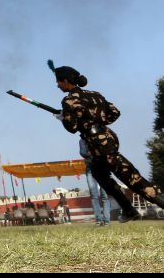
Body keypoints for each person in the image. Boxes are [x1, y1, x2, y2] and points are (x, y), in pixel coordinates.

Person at [52, 64, 164, 222]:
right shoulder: (95, 95)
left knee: (131, 178)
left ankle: (135, 209)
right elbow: (115, 112)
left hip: (98, 146)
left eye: (58, 82)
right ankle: (129, 210)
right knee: (99, 173)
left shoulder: (69, 100)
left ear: (65, 81)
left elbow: (72, 127)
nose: (57, 85)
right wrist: (99, 122)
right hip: (107, 139)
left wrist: (64, 118)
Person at [80, 138, 111, 226]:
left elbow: (108, 150)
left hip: (104, 168)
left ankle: (106, 221)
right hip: (91, 168)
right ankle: (98, 220)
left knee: (105, 196)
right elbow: (83, 152)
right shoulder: (83, 140)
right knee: (94, 195)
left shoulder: (102, 136)